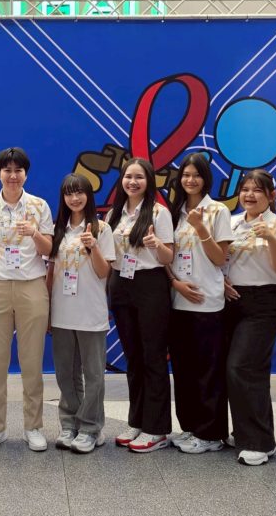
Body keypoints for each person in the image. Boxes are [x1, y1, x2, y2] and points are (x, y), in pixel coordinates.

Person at [0, 147, 54, 452]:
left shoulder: (39, 206)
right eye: (7, 170)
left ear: (25, 174)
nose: (13, 175)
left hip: (32, 287)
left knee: (32, 362)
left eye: (18, 170)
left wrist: (34, 233)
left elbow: (48, 250)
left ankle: (33, 426)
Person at [223, 169, 276, 466]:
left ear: (271, 195)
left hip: (265, 302)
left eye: (257, 190)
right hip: (231, 300)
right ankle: (246, 432)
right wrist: (221, 281)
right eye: (245, 189)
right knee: (240, 370)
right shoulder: (231, 222)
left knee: (243, 367)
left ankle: (259, 442)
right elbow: (219, 259)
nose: (250, 195)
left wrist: (270, 239)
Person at [165, 153, 234, 454]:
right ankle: (191, 427)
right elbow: (166, 257)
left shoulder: (217, 211)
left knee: (209, 371)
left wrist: (201, 228)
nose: (190, 180)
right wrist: (174, 283)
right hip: (178, 301)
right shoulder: (174, 212)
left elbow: (220, 258)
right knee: (184, 370)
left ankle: (212, 433)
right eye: (185, 174)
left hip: (207, 302)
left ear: (206, 178)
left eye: (196, 175)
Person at [105, 157, 175, 453]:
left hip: (150, 286)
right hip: (121, 284)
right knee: (133, 358)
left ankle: (156, 429)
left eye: (139, 177)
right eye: (128, 177)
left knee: (153, 357)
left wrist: (156, 245)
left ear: (149, 182)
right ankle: (137, 420)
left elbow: (169, 257)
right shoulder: (114, 213)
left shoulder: (159, 212)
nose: (133, 182)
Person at [46, 174, 115, 454]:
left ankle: (90, 428)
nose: (74, 198)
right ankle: (69, 424)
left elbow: (104, 272)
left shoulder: (102, 228)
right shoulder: (57, 230)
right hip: (62, 311)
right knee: (66, 373)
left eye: (79, 192)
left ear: (88, 195)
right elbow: (51, 271)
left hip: (90, 311)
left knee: (93, 374)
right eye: (69, 193)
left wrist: (93, 246)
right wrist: (47, 310)